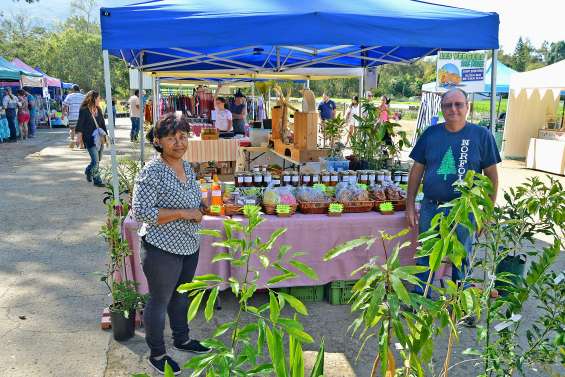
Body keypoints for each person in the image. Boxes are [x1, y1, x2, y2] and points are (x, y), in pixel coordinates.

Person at [406, 88, 501, 326]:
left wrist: (486, 212)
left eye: (458, 104)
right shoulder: (431, 134)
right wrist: (410, 204)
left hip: (464, 210)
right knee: (426, 255)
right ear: (442, 108)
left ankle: (462, 306)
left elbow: (491, 177)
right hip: (431, 207)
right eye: (448, 105)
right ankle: (420, 301)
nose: (453, 109)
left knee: (462, 258)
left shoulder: (482, 136)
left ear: (467, 107)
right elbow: (417, 170)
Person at [132, 113, 210, 375]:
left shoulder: (186, 167)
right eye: (171, 138)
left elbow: (191, 199)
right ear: (158, 141)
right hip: (161, 249)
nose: (179, 143)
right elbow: (140, 211)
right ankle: (157, 353)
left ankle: (182, 339)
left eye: (183, 136)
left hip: (189, 245)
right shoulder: (152, 171)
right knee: (159, 300)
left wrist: (200, 206)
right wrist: (185, 213)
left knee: (181, 295)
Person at [75, 91, 107, 187]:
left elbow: (102, 124)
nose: (99, 100)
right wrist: (79, 138)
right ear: (93, 98)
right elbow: (80, 124)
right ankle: (97, 180)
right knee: (96, 160)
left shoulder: (98, 109)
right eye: (98, 98)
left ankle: (88, 170)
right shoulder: (84, 110)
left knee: (98, 159)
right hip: (89, 139)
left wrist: (105, 136)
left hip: (99, 138)